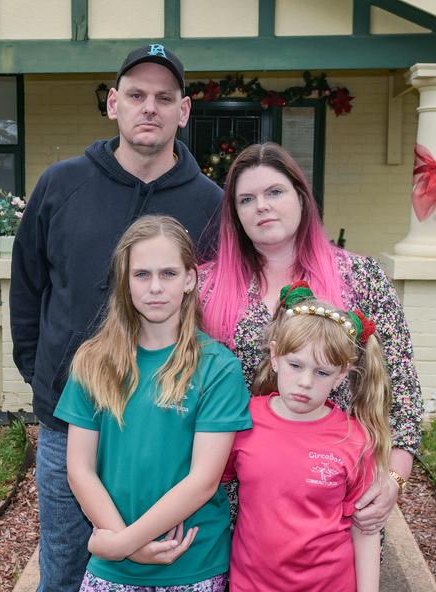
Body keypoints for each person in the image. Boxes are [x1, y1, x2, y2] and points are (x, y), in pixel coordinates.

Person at [12, 45, 223, 591]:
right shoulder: (61, 185)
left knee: (163, 570)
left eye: (163, 97)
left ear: (185, 111)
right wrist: (47, 378)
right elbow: (29, 287)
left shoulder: (212, 205)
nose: (148, 108)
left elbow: (221, 307)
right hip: (71, 423)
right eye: (135, 95)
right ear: (113, 103)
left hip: (168, 431)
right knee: (63, 572)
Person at [198, 142, 422, 533]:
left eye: (274, 192)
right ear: (235, 215)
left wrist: (394, 480)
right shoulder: (205, 288)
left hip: (330, 497)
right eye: (246, 199)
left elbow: (402, 393)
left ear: (302, 198)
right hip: (235, 503)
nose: (261, 206)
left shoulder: (361, 278)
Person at [56, 215, 251, 591]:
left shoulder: (218, 368)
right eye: (142, 275)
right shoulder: (93, 361)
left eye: (169, 274)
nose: (156, 288)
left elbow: (203, 481)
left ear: (190, 279)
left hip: (192, 563)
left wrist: (124, 544)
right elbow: (79, 470)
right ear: (125, 282)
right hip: (112, 567)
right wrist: (125, 544)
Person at [223, 283, 391, 592]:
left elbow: (366, 529)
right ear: (275, 357)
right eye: (295, 365)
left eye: (322, 373)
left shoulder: (353, 439)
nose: (305, 382)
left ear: (342, 375)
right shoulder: (243, 421)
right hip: (251, 585)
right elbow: (208, 484)